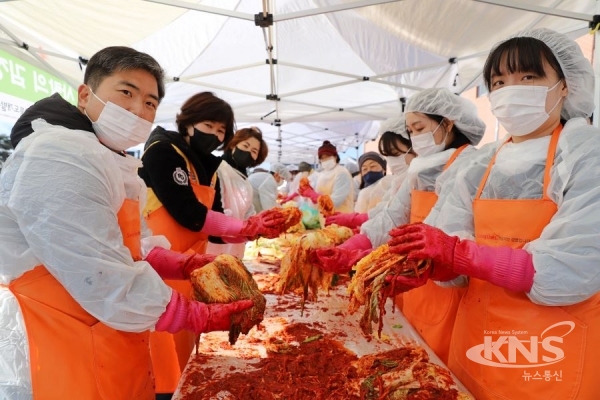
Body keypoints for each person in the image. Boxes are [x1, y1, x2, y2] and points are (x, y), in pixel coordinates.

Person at [0, 46, 254, 400]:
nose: (138, 109)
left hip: (110, 331)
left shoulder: (110, 159)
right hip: (62, 341)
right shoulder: (61, 153)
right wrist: (194, 314)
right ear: (85, 93)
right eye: (126, 92)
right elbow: (101, 275)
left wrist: (187, 264)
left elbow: (135, 245)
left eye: (150, 103)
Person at [388, 28, 600, 399]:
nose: (509, 90)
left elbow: (573, 265)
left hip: (550, 348)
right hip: (477, 337)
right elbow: (447, 234)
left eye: (529, 77)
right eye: (499, 82)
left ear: (565, 86)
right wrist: (434, 266)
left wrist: (460, 254)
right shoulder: (482, 162)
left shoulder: (586, 154)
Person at [313, 87, 485, 364]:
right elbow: (390, 218)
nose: (416, 138)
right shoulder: (420, 169)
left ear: (448, 122)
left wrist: (382, 260)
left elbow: (448, 234)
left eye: (419, 128)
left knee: (442, 367)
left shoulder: (471, 163)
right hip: (412, 283)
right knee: (413, 353)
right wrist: (351, 248)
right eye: (411, 131)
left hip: (452, 284)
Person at [138, 92, 282, 397]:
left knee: (185, 353)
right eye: (209, 125)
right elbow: (191, 214)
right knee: (161, 356)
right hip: (160, 267)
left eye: (221, 131)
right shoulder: (163, 151)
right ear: (188, 122)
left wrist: (249, 232)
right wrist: (243, 226)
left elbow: (211, 227)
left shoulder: (202, 164)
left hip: (191, 266)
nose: (215, 136)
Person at [325, 114, 415, 230]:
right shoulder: (397, 182)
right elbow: (385, 210)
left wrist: (356, 220)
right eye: (364, 169)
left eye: (395, 154)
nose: (392, 160)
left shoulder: (389, 182)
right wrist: (356, 221)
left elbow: (391, 217)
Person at [206, 126, 268, 258]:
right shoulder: (216, 169)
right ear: (234, 144)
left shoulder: (246, 182)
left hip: (235, 248)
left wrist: (260, 224)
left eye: (254, 151)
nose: (248, 152)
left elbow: (249, 213)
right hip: (211, 246)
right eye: (245, 145)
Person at [298, 140, 355, 212]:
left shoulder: (342, 173)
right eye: (322, 158)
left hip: (341, 218)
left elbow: (335, 202)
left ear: (335, 156)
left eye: (327, 156)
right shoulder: (322, 174)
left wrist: (313, 195)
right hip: (325, 218)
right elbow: (318, 201)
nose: (325, 160)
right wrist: (310, 195)